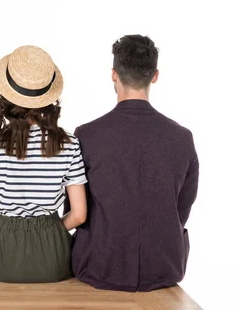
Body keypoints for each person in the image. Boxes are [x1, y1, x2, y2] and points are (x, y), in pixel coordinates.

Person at [69, 35, 199, 292]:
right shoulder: (182, 138)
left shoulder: (86, 135)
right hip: (164, 266)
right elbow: (181, 209)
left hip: (98, 265)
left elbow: (74, 207)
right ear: (155, 76)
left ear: (113, 75)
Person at [0, 45, 88, 283]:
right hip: (52, 258)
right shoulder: (69, 144)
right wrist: (51, 231)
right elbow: (79, 215)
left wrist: (0, 232)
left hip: (0, 255)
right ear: (48, 98)